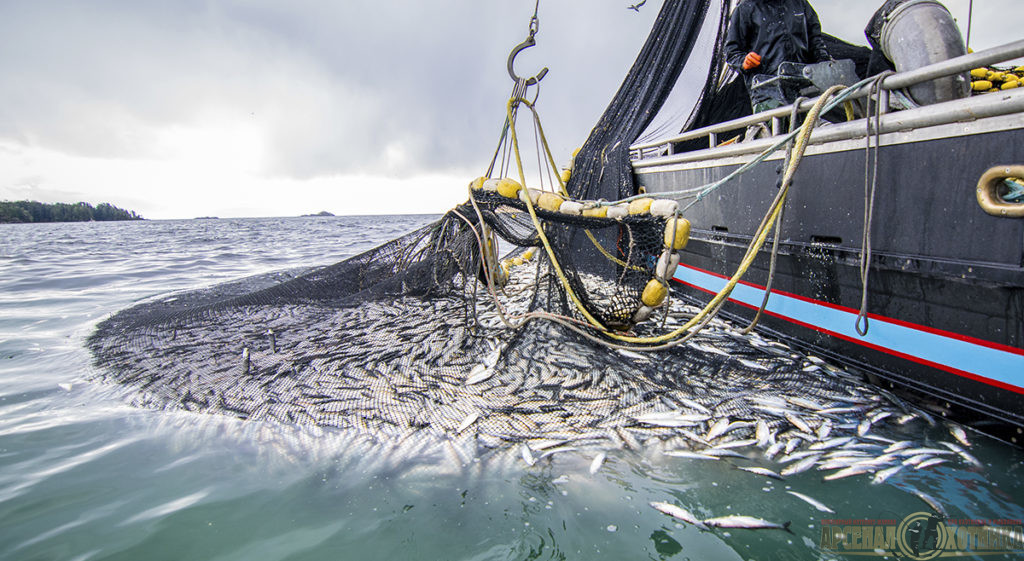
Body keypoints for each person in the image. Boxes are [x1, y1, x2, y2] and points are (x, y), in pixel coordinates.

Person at [724, 0, 831, 112]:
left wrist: (825, 64)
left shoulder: (801, 4)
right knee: (777, 128)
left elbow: (816, 43)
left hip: (805, 90)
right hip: (766, 96)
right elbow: (732, 52)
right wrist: (744, 62)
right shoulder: (745, 9)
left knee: (811, 126)